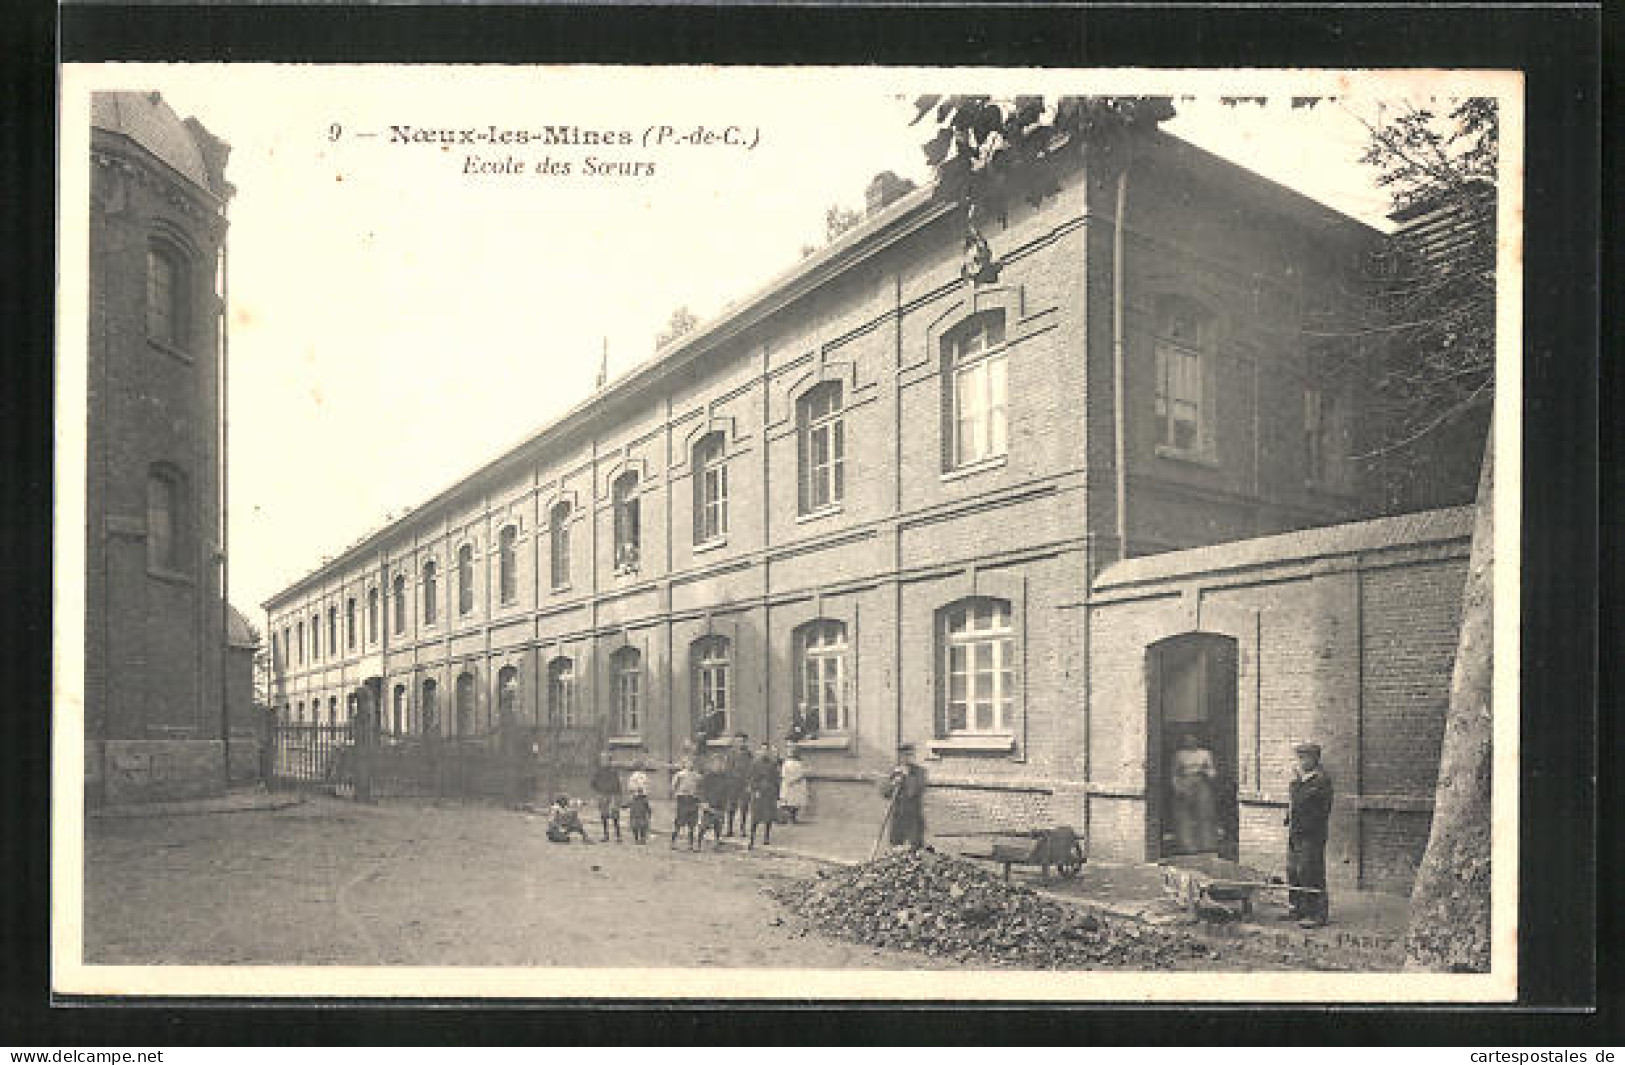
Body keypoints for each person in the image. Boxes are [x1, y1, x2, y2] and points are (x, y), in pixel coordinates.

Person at [1284, 741, 1334, 927]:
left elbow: (1305, 802)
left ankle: (1317, 915)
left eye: (1304, 758)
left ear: (1314, 759)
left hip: (1312, 834)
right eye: (1299, 757)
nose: (1301, 761)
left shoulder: (1321, 781)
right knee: (1293, 870)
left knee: (1311, 871)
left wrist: (1298, 782)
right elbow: (1294, 800)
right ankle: (1297, 908)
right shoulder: (1300, 780)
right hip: (1295, 831)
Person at [1169, 731, 1219, 854]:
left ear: (1197, 740)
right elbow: (1174, 774)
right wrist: (1178, 788)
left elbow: (1212, 771)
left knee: (1205, 813)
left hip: (1201, 783)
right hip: (1185, 783)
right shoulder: (1180, 755)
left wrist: (1207, 773)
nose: (1190, 742)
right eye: (1187, 740)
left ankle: (1207, 844)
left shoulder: (1205, 753)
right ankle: (1188, 846)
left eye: (1193, 739)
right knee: (1184, 815)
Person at [880, 743, 928, 849]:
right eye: (903, 756)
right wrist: (892, 783)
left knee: (915, 849)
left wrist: (907, 776)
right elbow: (885, 793)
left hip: (913, 818)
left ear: (913, 757)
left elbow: (914, 791)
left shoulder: (920, 772)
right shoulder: (894, 772)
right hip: (897, 817)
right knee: (895, 848)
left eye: (909, 755)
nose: (906, 759)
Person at [746, 742, 782, 849]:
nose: (765, 752)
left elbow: (776, 779)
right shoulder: (755, 764)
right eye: (763, 750)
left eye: (767, 750)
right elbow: (751, 779)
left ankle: (766, 837)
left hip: (769, 793)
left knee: (768, 817)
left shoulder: (772, 764)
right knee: (755, 817)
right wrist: (755, 790)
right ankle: (751, 839)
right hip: (759, 793)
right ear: (760, 751)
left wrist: (777, 794)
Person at [697, 754, 732, 851]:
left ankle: (716, 843)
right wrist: (703, 802)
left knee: (718, 825)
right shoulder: (708, 777)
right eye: (716, 763)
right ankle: (698, 843)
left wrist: (727, 803)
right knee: (704, 825)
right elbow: (701, 789)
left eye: (721, 763)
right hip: (709, 805)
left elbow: (728, 791)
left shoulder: (725, 777)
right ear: (712, 764)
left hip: (720, 805)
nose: (719, 765)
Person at [723, 732, 754, 837]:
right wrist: (727, 783)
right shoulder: (730, 754)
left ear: (745, 742)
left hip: (744, 784)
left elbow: (751, 770)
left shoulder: (749, 755)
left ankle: (742, 829)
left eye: (742, 741)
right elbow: (727, 769)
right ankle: (729, 829)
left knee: (744, 807)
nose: (740, 743)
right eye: (738, 741)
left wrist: (749, 784)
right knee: (731, 807)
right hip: (733, 784)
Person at [589, 750, 623, 842]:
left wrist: (618, 798)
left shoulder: (614, 771)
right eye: (602, 759)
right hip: (603, 795)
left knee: (615, 815)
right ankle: (606, 835)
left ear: (609, 760)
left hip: (613, 795)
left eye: (605, 759)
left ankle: (618, 836)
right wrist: (599, 792)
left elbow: (618, 785)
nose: (603, 761)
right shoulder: (598, 771)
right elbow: (593, 783)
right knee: (604, 815)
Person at [670, 758, 701, 849]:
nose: (690, 765)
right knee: (679, 822)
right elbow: (673, 786)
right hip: (683, 799)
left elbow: (700, 787)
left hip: (693, 800)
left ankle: (690, 844)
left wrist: (697, 796)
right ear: (685, 764)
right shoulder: (680, 775)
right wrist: (677, 794)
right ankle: (673, 842)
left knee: (692, 823)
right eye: (688, 763)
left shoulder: (697, 776)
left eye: (692, 763)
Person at [778, 743, 809, 824]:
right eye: (790, 751)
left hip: (797, 784)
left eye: (794, 751)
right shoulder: (786, 762)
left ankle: (793, 817)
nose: (792, 753)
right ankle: (787, 817)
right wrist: (788, 780)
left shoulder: (800, 763)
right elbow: (783, 773)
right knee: (787, 801)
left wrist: (796, 780)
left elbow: (802, 773)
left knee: (796, 801)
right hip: (788, 783)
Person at [626, 760, 653, 844]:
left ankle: (638, 838)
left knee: (637, 819)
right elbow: (646, 787)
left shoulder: (634, 777)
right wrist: (642, 791)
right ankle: (641, 838)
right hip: (639, 798)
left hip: (637, 798)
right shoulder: (640, 776)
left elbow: (630, 787)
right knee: (642, 819)